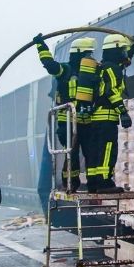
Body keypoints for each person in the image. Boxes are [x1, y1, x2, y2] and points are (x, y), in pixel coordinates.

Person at [34, 34, 96, 192]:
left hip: (86, 121)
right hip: (67, 122)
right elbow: (49, 64)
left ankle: (94, 184)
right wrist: (41, 46)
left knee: (91, 153)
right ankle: (70, 183)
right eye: (88, 54)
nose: (90, 57)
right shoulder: (65, 70)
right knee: (72, 154)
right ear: (79, 54)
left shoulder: (91, 72)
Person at [78, 33, 134, 193]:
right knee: (108, 150)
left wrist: (133, 47)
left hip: (95, 118)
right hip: (107, 117)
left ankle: (94, 183)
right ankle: (104, 182)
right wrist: (122, 112)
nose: (124, 53)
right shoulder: (113, 69)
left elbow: (125, 62)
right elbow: (111, 91)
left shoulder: (104, 67)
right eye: (123, 50)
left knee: (95, 151)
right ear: (116, 50)